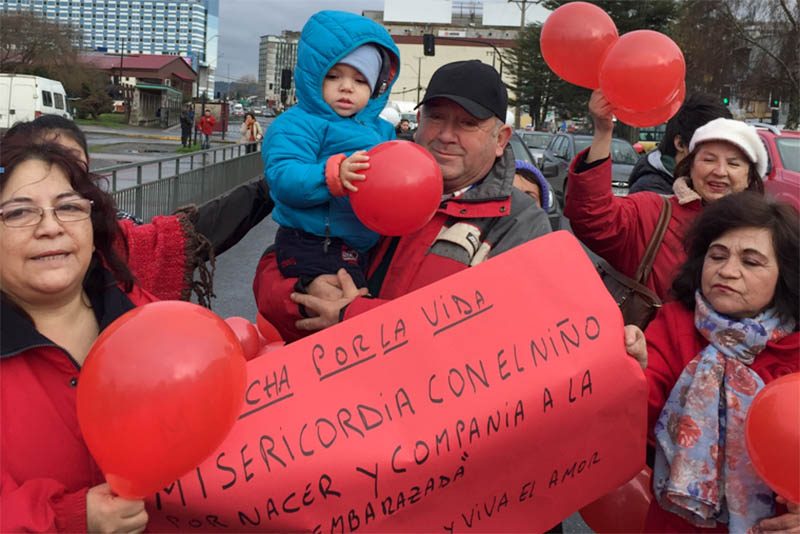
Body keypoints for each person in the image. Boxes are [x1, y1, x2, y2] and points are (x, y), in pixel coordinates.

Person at [255, 60, 552, 342]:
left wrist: (353, 317)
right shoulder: (369, 175)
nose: (447, 135)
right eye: (436, 117)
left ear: (501, 139)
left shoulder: (520, 222)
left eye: (468, 123)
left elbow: (500, 335)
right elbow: (275, 266)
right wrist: (308, 294)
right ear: (419, 121)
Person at [624, 192, 799, 532]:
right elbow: (637, 411)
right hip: (677, 523)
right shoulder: (675, 324)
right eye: (717, 256)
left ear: (785, 274)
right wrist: (632, 365)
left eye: (751, 262)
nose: (727, 271)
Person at [3, 114, 274, 303]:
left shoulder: (130, 302)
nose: (50, 228)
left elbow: (185, 236)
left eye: (70, 159)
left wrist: (279, 184)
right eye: (20, 212)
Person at [564, 90, 767, 301]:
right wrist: (603, 132)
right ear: (690, 164)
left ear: (750, 175)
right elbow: (593, 216)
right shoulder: (653, 212)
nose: (720, 171)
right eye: (708, 160)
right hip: (651, 334)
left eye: (734, 163)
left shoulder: (771, 230)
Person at [261, 10, 399, 291]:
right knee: (348, 307)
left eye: (361, 81)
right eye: (334, 76)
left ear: (376, 88)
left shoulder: (383, 131)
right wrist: (333, 175)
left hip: (362, 242)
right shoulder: (298, 123)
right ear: (314, 77)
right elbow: (283, 175)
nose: (347, 87)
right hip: (314, 243)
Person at [629, 94, 732, 194]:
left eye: (732, 162)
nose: (721, 171)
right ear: (680, 144)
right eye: (709, 158)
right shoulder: (652, 195)